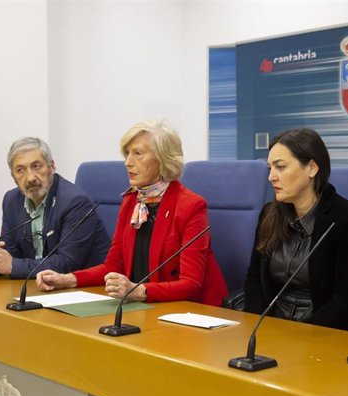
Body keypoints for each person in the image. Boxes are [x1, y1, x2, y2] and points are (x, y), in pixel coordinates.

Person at [36, 120, 228, 306]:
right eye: (127, 154)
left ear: (163, 159)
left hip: (189, 311)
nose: (128, 162)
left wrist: (140, 291)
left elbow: (192, 284)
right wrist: (66, 279)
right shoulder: (132, 201)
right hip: (143, 306)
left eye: (138, 154)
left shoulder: (191, 206)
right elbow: (112, 267)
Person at [243, 128, 348, 332]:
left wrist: (302, 335)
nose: (271, 177)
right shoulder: (269, 213)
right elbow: (254, 280)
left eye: (280, 167)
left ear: (312, 168)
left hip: (322, 333)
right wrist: (263, 327)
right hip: (271, 327)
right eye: (270, 168)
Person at [0, 137, 110, 278]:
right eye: (20, 170)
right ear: (13, 176)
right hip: (38, 285)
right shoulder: (11, 200)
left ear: (52, 167)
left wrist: (11, 265)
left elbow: (66, 263)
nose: (30, 178)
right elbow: (12, 254)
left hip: (85, 289)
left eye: (36, 166)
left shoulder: (75, 202)